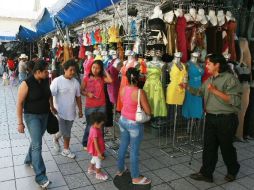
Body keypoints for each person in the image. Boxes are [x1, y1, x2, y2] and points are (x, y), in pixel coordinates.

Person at [180, 54, 241, 183]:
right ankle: (206, 173)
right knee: (209, 147)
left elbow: (234, 100)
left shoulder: (230, 79)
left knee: (226, 148)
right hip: (211, 118)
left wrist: (215, 91)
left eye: (208, 63)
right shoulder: (209, 80)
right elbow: (199, 92)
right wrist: (187, 87)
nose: (205, 66)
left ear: (217, 65)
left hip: (226, 119)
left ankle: (232, 170)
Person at [16, 60, 55, 188]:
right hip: (31, 116)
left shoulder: (44, 80)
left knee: (36, 141)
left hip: (45, 115)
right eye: (45, 71)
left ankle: (29, 158)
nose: (48, 73)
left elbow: (48, 95)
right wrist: (20, 123)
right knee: (38, 145)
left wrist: (52, 107)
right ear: (38, 72)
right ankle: (41, 177)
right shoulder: (26, 83)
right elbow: (19, 103)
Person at [117, 67, 152, 185]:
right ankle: (135, 177)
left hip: (122, 120)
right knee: (134, 151)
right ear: (138, 78)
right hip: (134, 125)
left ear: (127, 77)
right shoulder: (140, 92)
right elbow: (148, 111)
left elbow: (124, 102)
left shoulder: (123, 89)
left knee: (123, 146)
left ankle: (120, 169)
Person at [51, 59, 83, 159]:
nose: (73, 72)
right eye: (71, 70)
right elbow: (50, 95)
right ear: (65, 70)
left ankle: (56, 138)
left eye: (74, 70)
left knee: (64, 131)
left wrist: (80, 110)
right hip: (59, 112)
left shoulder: (75, 83)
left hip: (71, 112)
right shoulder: (57, 81)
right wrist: (51, 107)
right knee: (66, 132)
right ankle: (66, 150)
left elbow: (78, 97)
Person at [81, 60, 112, 150]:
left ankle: (99, 145)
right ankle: (85, 143)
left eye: (98, 68)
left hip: (101, 106)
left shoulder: (102, 78)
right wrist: (87, 94)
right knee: (89, 125)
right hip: (90, 106)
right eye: (93, 67)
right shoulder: (86, 78)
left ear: (100, 69)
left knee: (100, 127)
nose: (95, 69)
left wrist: (104, 70)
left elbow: (110, 80)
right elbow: (81, 90)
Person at [87, 112, 108, 180]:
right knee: (98, 161)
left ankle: (91, 169)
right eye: (101, 124)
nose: (101, 126)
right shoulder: (95, 131)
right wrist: (99, 153)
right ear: (96, 122)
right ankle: (98, 174)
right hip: (96, 149)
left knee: (94, 158)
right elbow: (95, 143)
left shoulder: (93, 127)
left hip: (95, 149)